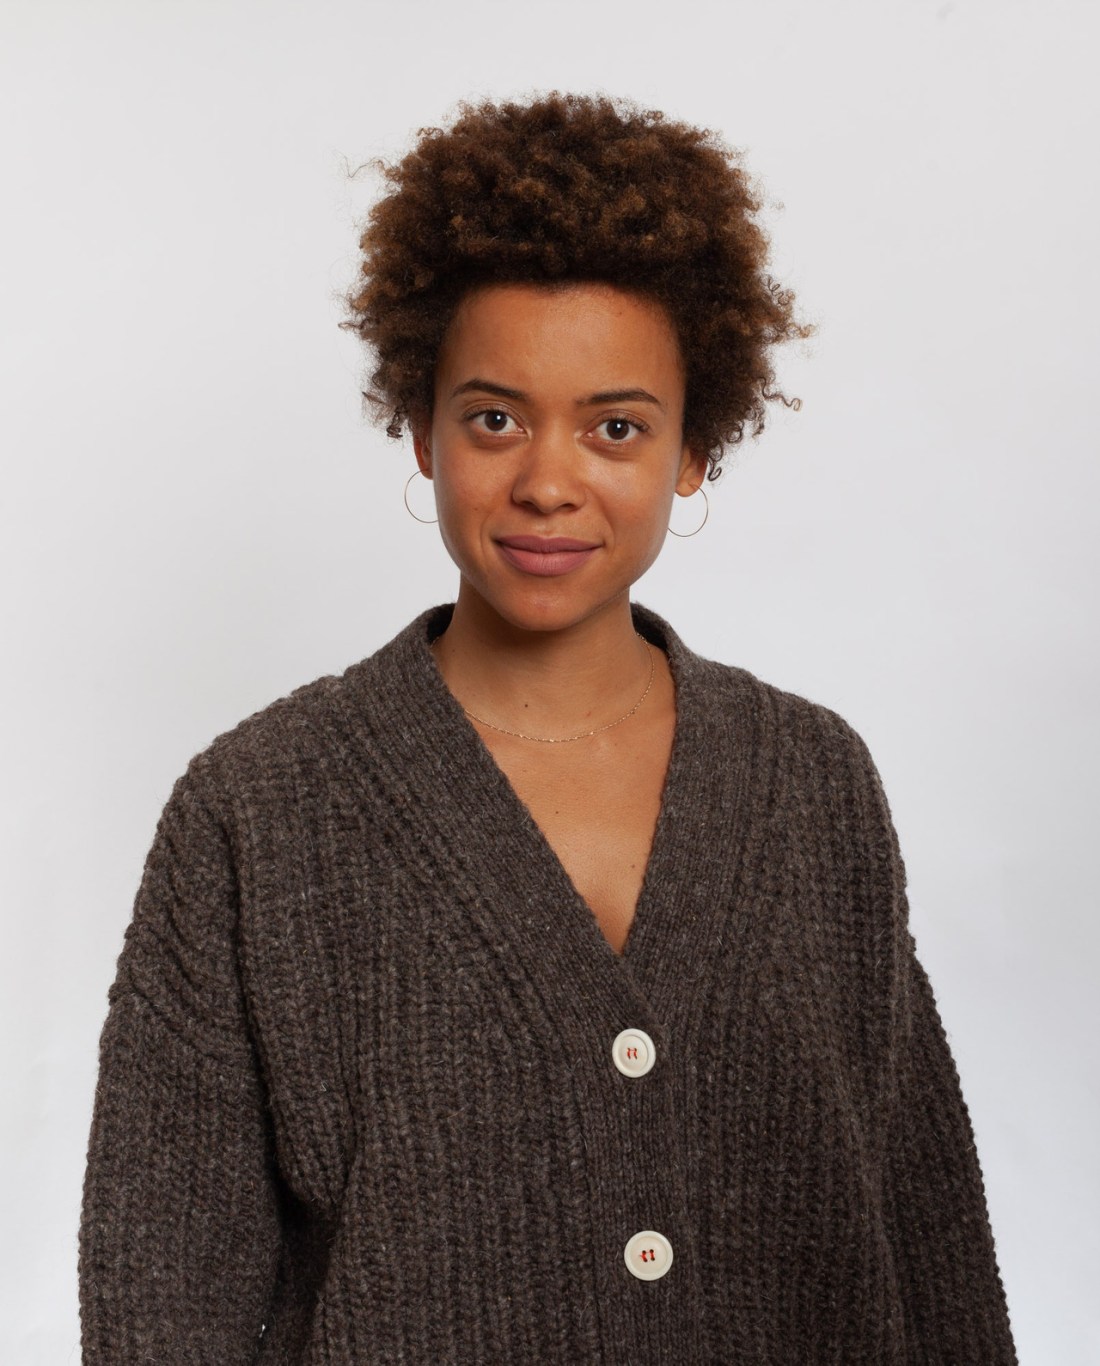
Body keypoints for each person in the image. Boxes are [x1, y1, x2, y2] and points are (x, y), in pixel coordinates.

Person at [78, 93, 1017, 1363]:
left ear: (694, 449)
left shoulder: (813, 783)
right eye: (494, 418)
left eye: (615, 426)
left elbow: (927, 1235)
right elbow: (160, 1297)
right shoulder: (259, 811)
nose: (547, 481)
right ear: (421, 430)